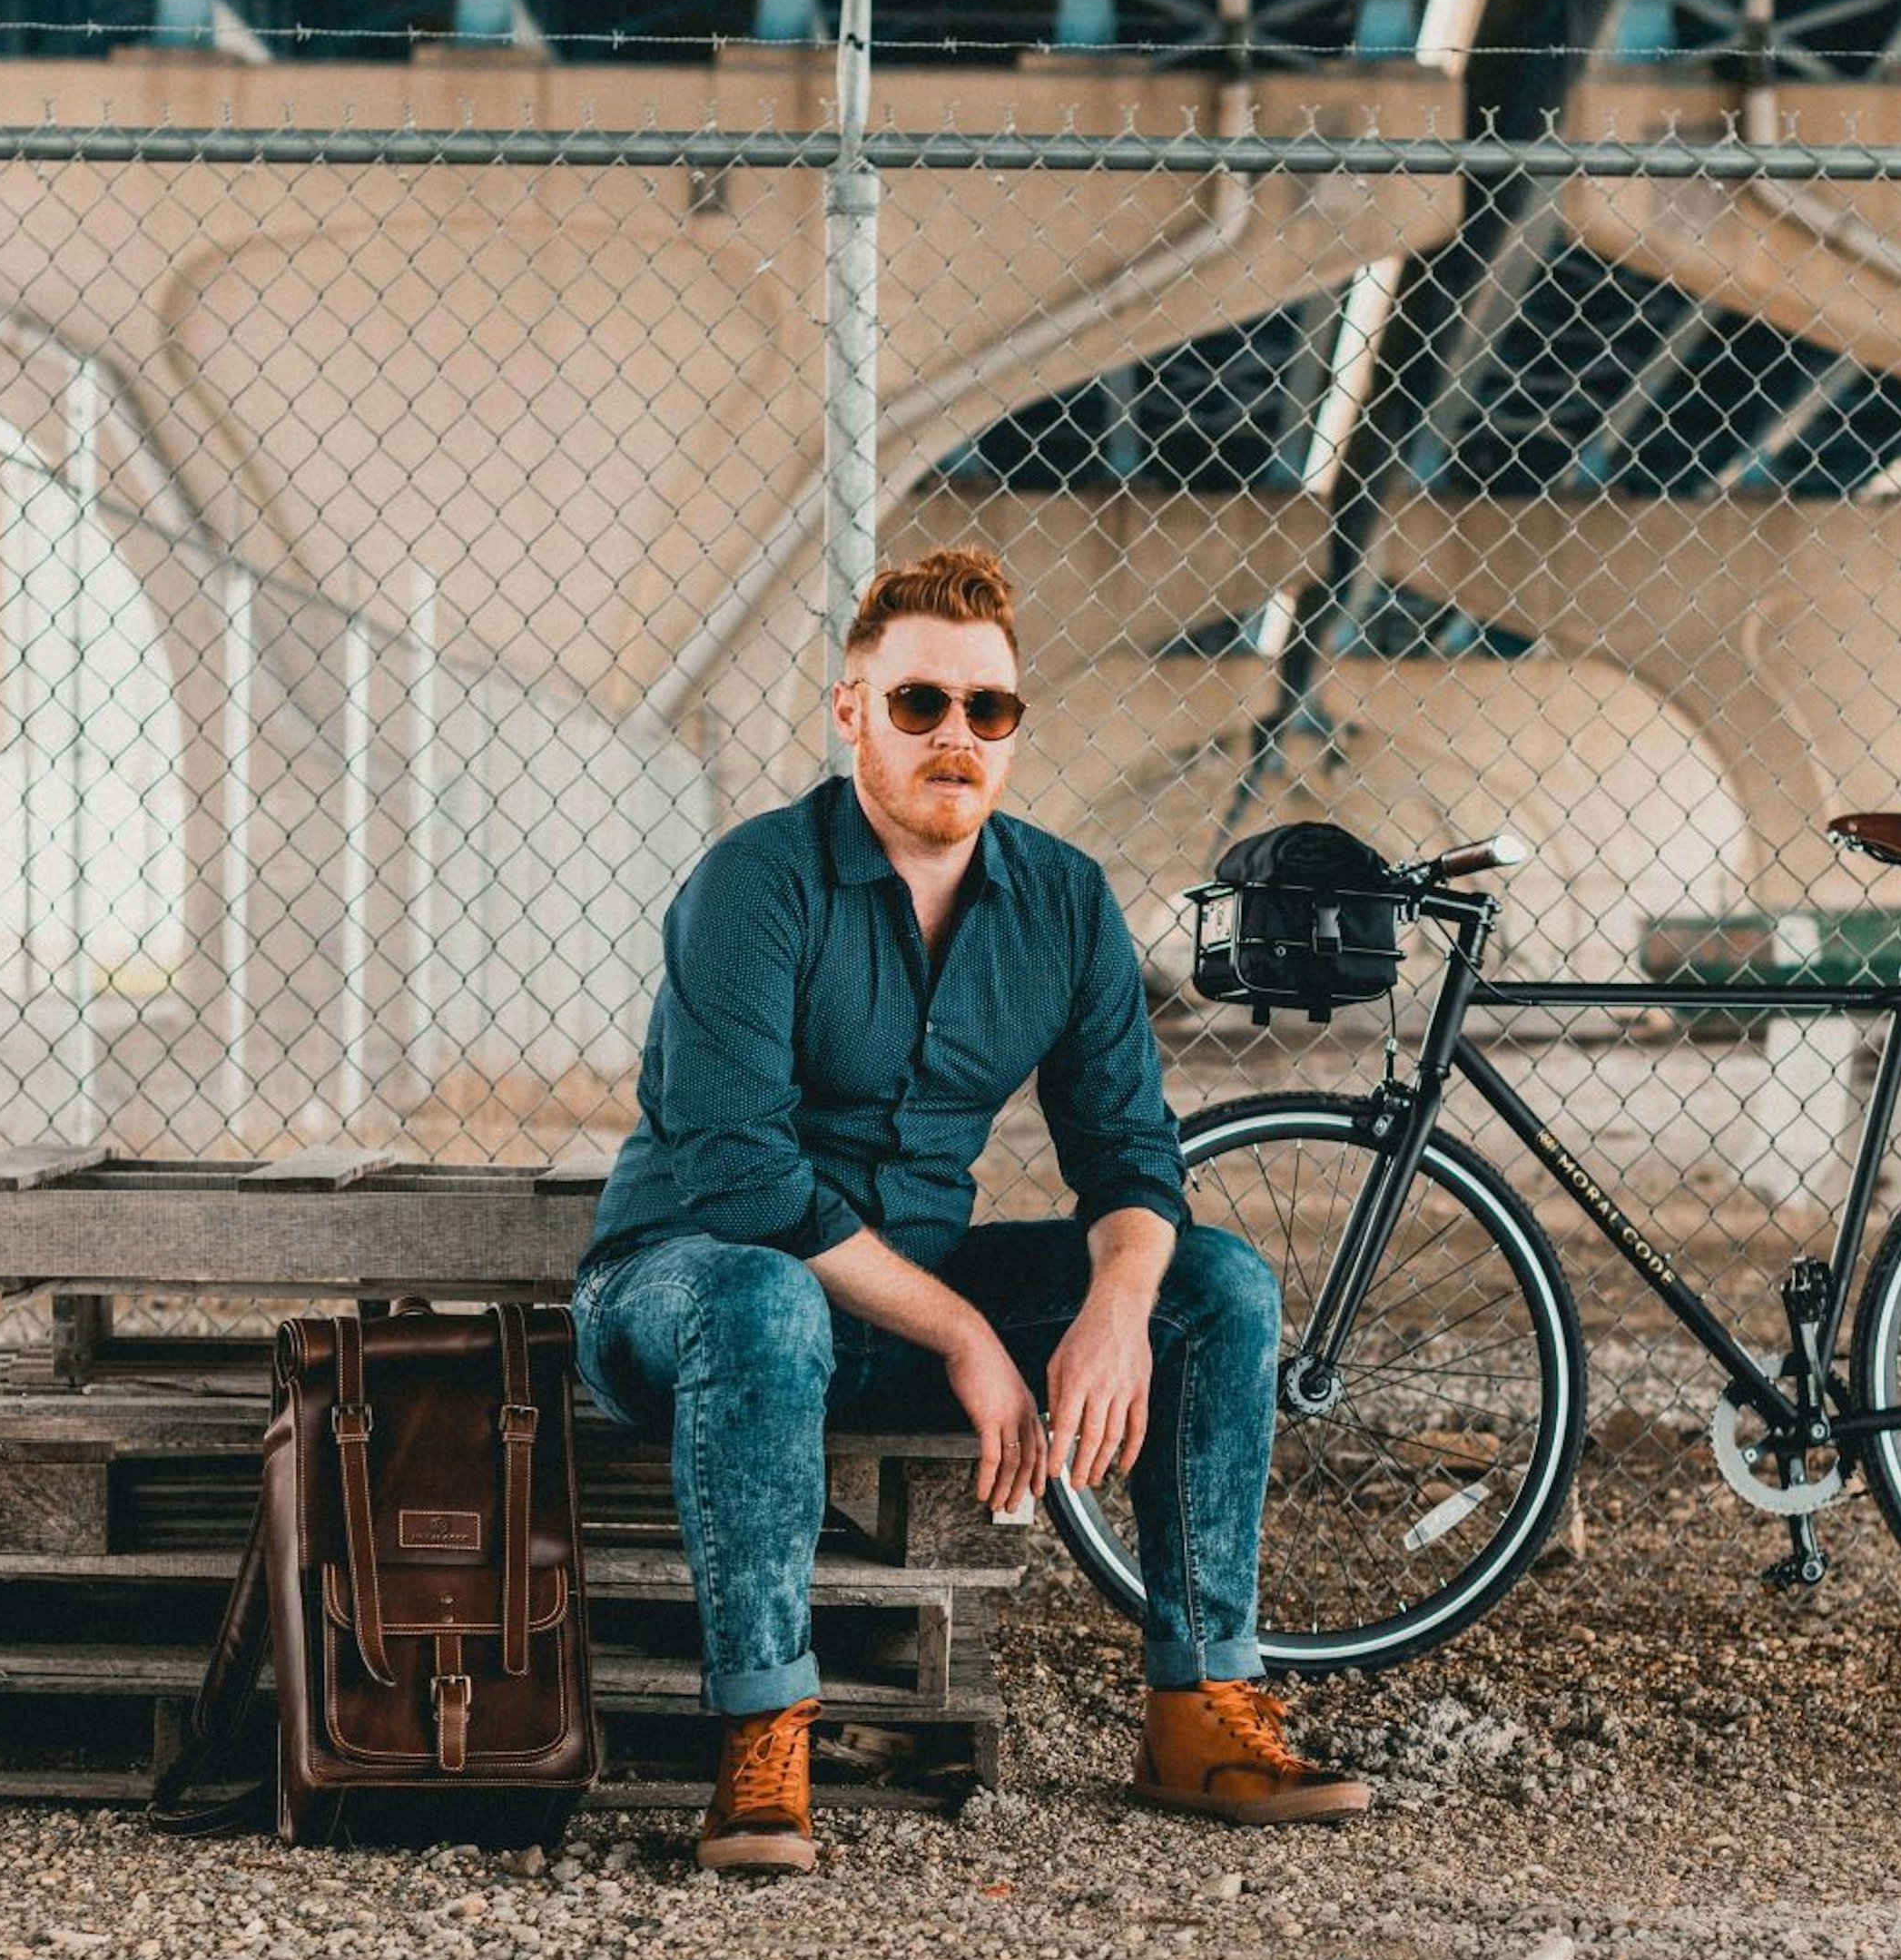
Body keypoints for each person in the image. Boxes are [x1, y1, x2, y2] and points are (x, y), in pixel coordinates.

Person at [572, 544, 1369, 1876]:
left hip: (901, 1300)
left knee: (1215, 1285)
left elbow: (1128, 1153)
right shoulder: (755, 883)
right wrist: (965, 1333)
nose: (957, 736)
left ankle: (1196, 1708)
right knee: (761, 1296)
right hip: (685, 1298)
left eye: (987, 710)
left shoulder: (1060, 900)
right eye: (919, 703)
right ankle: (764, 1736)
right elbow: (742, 1179)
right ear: (851, 713)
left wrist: (1115, 1309)